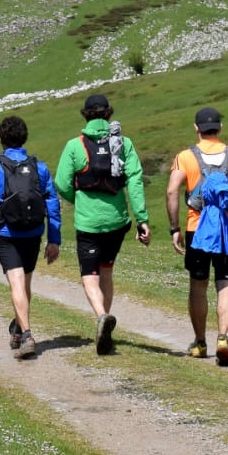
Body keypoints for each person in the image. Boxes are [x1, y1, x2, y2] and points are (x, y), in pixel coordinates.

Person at [53, 92, 150, 354]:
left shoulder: (75, 145)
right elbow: (135, 181)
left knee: (89, 275)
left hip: (88, 223)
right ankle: (104, 320)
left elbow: (61, 183)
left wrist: (79, 199)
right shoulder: (124, 144)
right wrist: (142, 218)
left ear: (85, 116)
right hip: (117, 221)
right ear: (109, 114)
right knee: (106, 270)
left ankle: (100, 317)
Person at [164, 106, 228, 364]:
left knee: (198, 285)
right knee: (225, 283)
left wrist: (175, 228)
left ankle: (200, 343)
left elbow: (172, 191)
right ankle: (223, 338)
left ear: (197, 128)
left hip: (197, 231)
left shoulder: (185, 157)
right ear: (220, 128)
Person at [0, 114, 61, 360]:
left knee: (16, 283)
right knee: (24, 283)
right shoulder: (39, 167)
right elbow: (52, 203)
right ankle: (18, 327)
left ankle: (27, 335)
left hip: (6, 234)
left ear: (1, 139)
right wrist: (54, 240)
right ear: (25, 138)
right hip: (33, 233)